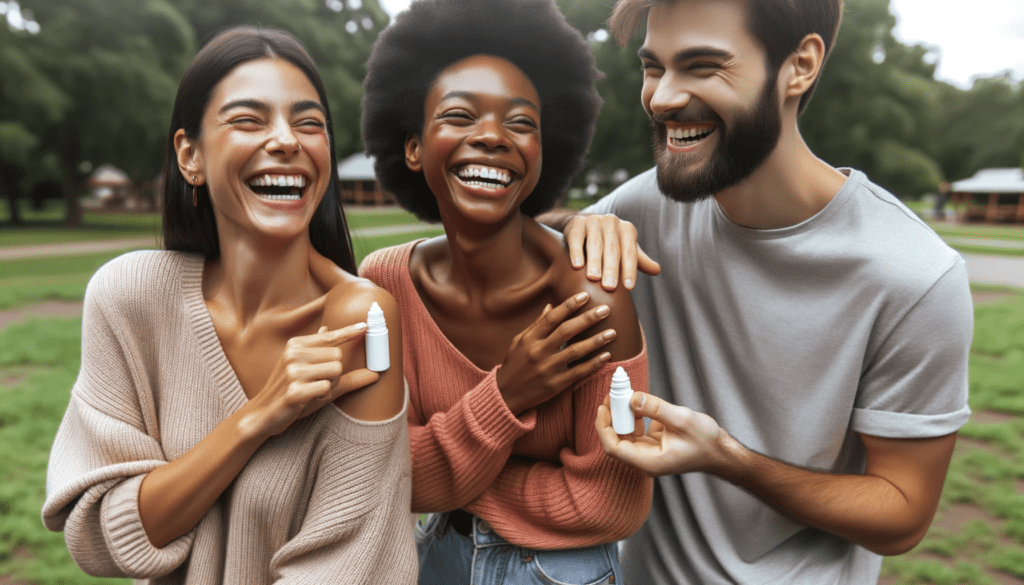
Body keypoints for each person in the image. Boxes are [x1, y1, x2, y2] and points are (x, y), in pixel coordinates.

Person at [557, 0, 973, 583]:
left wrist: (726, 459)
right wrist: (575, 225)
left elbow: (902, 515)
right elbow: (526, 242)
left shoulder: (915, 276)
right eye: (655, 68)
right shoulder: (639, 208)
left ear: (799, 66)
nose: (663, 97)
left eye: (702, 66)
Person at [42, 26, 417, 584]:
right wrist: (255, 419)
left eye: (309, 123)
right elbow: (101, 536)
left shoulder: (360, 320)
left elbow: (349, 567)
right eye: (249, 120)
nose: (288, 140)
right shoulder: (131, 297)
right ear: (189, 155)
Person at [359, 0, 652, 582]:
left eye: (521, 122)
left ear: (545, 152)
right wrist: (508, 394)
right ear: (413, 147)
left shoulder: (591, 294)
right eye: (461, 116)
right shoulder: (383, 285)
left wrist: (444, 473)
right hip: (433, 557)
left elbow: (612, 502)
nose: (493, 136)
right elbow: (378, 472)